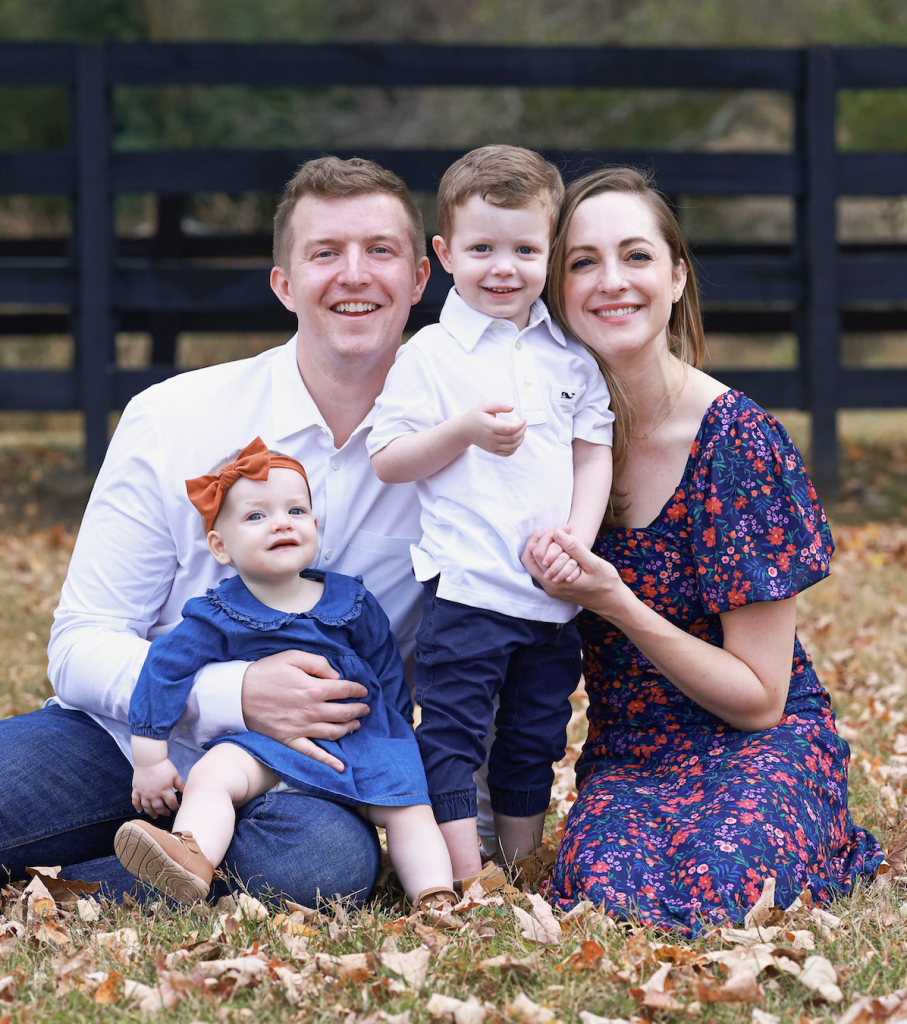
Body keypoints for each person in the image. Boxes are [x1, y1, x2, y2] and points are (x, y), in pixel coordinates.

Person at [0, 156, 431, 905]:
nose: (354, 274)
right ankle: (134, 856)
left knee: (322, 870)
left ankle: (71, 887)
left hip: (302, 777)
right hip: (124, 745)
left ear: (421, 278)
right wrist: (236, 693)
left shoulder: (454, 454)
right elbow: (80, 643)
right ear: (284, 284)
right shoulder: (175, 417)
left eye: (380, 251)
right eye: (325, 252)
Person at [519, 165, 884, 935]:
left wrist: (617, 602)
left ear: (677, 276)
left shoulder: (734, 441)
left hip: (760, 739)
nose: (610, 281)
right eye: (582, 262)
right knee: (604, 893)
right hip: (631, 752)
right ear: (556, 290)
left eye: (635, 256)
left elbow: (760, 697)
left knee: (729, 882)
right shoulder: (537, 441)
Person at [368, 146, 614, 883]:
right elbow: (388, 457)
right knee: (450, 731)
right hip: (468, 588)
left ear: (549, 251)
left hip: (550, 597)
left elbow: (591, 449)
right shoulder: (431, 355)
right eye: (481, 248)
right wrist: (463, 431)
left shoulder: (570, 355)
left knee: (534, 733)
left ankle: (516, 858)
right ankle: (459, 868)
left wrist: (577, 537)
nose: (502, 268)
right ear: (444, 253)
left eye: (524, 250)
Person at [115, 437, 454, 908]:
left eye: (296, 511)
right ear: (220, 545)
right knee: (212, 773)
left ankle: (434, 894)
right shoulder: (219, 612)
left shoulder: (351, 601)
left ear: (315, 525)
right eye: (256, 516)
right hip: (264, 748)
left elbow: (387, 671)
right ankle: (193, 857)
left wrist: (399, 737)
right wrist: (151, 760)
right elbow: (163, 670)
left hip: (359, 741)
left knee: (410, 808)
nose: (281, 523)